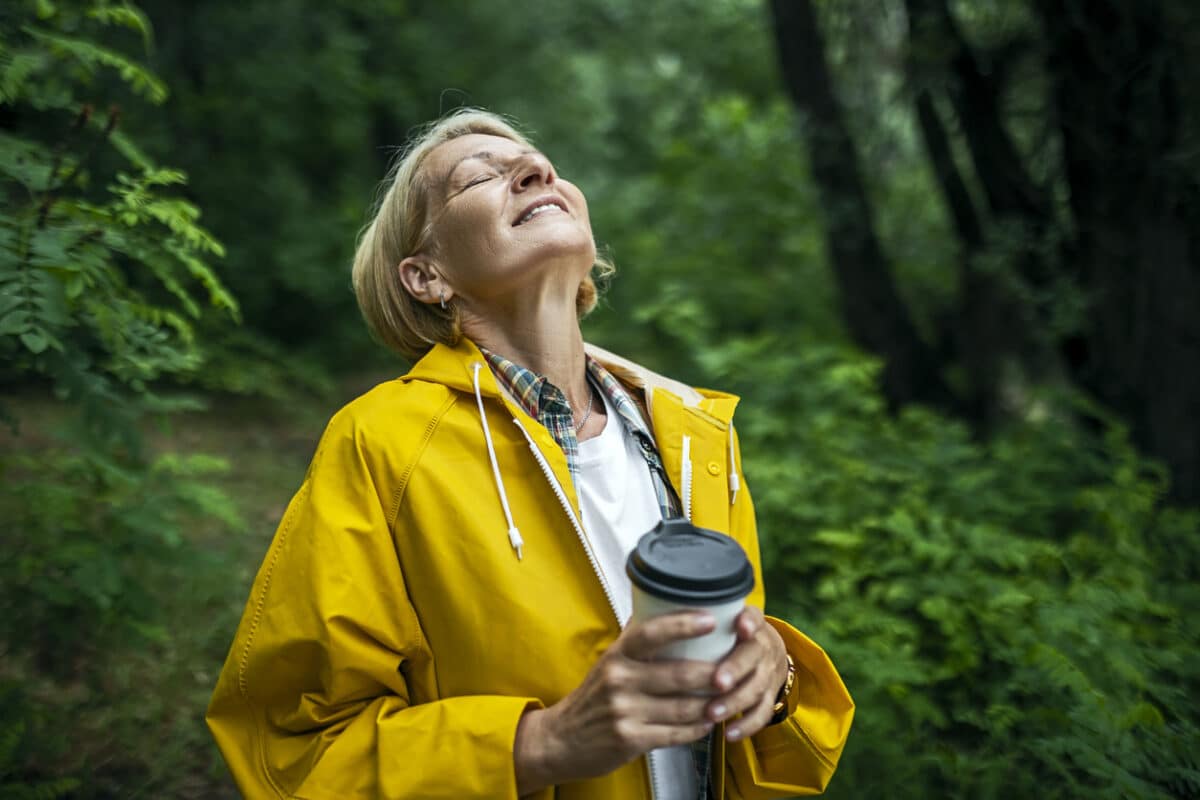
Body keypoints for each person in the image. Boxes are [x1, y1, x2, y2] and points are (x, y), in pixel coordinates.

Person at [206, 108, 854, 800]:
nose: (534, 170)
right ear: (427, 277)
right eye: (475, 177)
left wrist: (774, 681)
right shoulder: (381, 444)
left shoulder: (698, 435)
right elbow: (294, 750)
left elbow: (751, 734)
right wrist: (539, 744)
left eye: (539, 164)